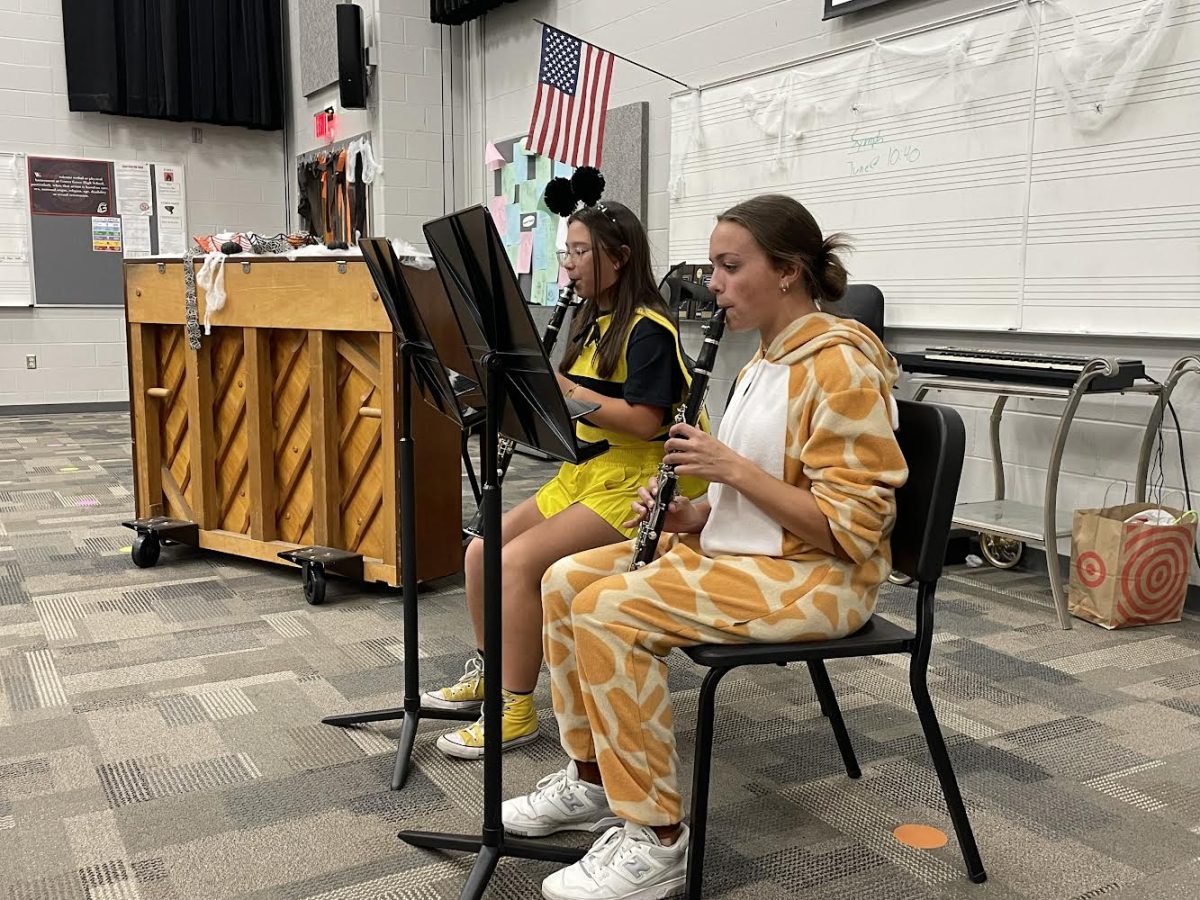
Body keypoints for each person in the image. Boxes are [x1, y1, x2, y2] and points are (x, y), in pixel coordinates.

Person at [501, 194, 909, 900]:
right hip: (748, 555)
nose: (711, 285)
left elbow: (854, 529)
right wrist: (692, 513)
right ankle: (594, 777)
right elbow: (756, 492)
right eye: (714, 267)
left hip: (820, 578)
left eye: (728, 267)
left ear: (787, 271)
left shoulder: (840, 367)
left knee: (609, 611)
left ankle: (657, 838)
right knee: (565, 580)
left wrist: (729, 470)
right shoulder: (759, 361)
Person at [426, 199, 707, 759]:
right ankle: (491, 666)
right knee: (482, 550)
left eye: (581, 252)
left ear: (620, 258)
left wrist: (565, 392)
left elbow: (644, 420)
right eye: (567, 252)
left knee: (519, 561)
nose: (570, 265)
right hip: (593, 467)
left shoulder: (647, 328)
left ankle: (515, 708)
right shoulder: (593, 317)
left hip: (643, 477)